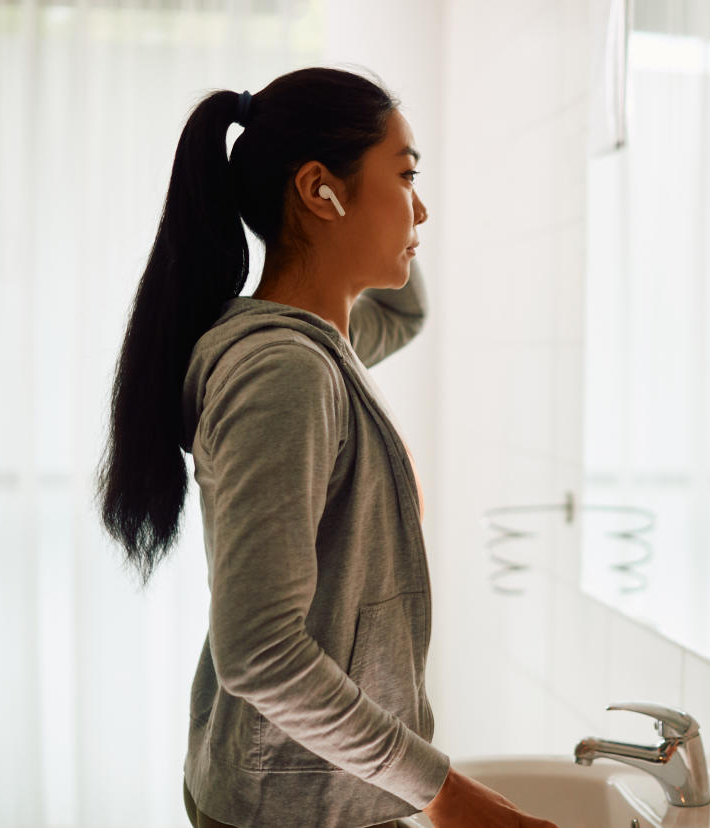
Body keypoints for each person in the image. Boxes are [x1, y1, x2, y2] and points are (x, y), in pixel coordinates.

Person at [98, 67, 557, 828]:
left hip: (307, 791)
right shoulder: (285, 372)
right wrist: (445, 793)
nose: (424, 207)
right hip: (292, 807)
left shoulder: (320, 345)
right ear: (320, 191)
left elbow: (404, 317)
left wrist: (387, 221)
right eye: (407, 176)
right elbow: (260, 651)